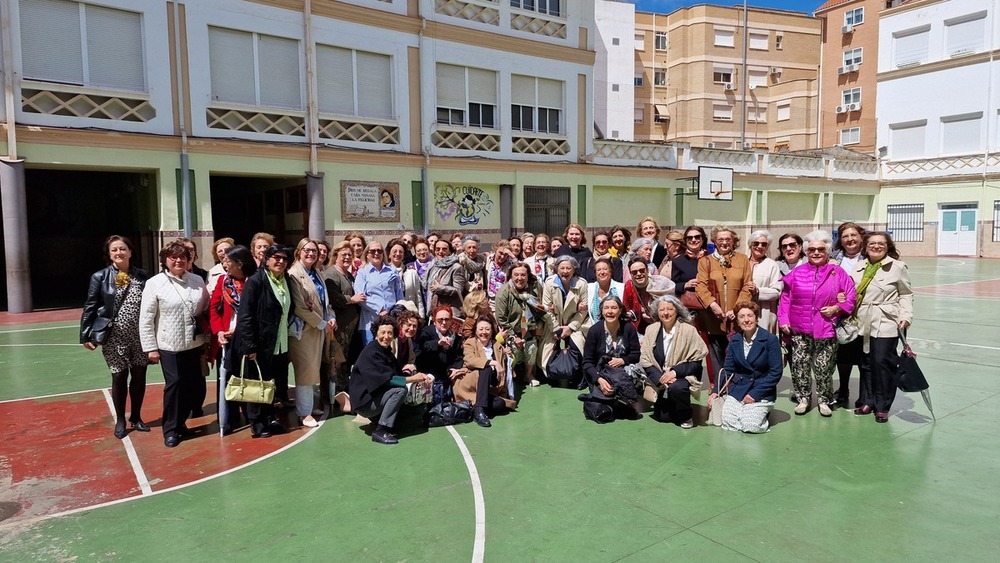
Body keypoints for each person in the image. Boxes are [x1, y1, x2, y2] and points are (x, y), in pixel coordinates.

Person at [778, 230, 857, 417]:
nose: (816, 252)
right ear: (806, 251)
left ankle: (824, 400)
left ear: (828, 251)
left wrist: (837, 308)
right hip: (799, 329)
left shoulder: (837, 273)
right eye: (811, 249)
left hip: (826, 328)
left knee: (824, 367)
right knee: (800, 365)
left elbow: (851, 296)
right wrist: (783, 320)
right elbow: (786, 299)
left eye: (820, 249)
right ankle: (803, 398)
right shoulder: (797, 272)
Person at [139, 241, 210, 447]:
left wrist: (206, 341)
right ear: (165, 260)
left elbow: (204, 312)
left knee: (191, 386)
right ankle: (170, 429)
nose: (178, 260)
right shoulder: (155, 283)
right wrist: (150, 347)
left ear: (189, 260)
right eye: (173, 257)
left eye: (183, 257)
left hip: (194, 343)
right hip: (169, 345)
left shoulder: (197, 280)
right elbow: (146, 318)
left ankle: (181, 424)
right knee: (175, 384)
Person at [81, 235, 151, 439]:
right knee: (119, 376)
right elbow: (91, 306)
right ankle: (121, 419)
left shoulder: (143, 276)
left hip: (140, 335)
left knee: (139, 377)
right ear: (109, 254)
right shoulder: (100, 277)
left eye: (122, 249)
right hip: (114, 336)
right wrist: (86, 334)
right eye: (114, 250)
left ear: (130, 252)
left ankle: (136, 417)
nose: (119, 253)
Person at [850, 232, 913, 423]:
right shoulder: (859, 268)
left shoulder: (898, 267)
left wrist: (906, 316)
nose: (876, 247)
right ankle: (868, 400)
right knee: (866, 363)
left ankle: (883, 405)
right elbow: (851, 292)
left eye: (881, 244)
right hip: (862, 321)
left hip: (886, 320)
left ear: (888, 247)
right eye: (872, 244)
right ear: (865, 247)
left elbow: (906, 294)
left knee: (883, 363)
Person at [231, 245, 293, 438]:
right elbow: (246, 315)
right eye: (276, 257)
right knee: (257, 383)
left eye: (284, 258)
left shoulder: (286, 280)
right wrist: (250, 345)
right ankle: (257, 423)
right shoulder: (256, 282)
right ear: (266, 259)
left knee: (270, 383)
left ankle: (269, 418)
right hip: (260, 344)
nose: (280, 261)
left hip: (279, 341)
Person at [350, 317, 433, 445]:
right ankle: (381, 430)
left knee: (417, 410)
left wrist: (410, 373)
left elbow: (395, 373)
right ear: (376, 333)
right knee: (400, 390)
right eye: (383, 332)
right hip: (365, 403)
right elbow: (388, 380)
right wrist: (414, 378)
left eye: (390, 333)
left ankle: (381, 420)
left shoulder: (385, 351)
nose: (386, 336)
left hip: (376, 397)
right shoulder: (371, 353)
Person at [287, 238, 337, 428]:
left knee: (313, 368)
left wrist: (330, 316)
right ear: (299, 251)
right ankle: (304, 413)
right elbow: (300, 307)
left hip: (320, 329)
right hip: (305, 330)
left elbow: (324, 301)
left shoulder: (317, 273)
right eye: (307, 250)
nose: (311, 254)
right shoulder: (293, 275)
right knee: (305, 370)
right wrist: (321, 322)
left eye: (314, 251)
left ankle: (309, 406)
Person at [713, 301, 783, 433]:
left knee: (751, 426)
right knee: (729, 423)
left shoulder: (770, 340)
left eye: (750, 316)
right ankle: (746, 412)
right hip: (738, 389)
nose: (746, 320)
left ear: (756, 318)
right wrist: (716, 391)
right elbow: (728, 369)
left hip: (761, 391)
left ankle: (761, 414)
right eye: (742, 317)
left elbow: (775, 372)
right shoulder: (735, 340)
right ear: (737, 321)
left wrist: (754, 394)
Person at [640, 295, 708, 428]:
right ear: (657, 312)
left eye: (670, 309)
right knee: (663, 417)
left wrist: (674, 372)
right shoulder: (651, 330)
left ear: (677, 310)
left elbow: (696, 363)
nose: (666, 313)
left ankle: (686, 415)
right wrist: (661, 378)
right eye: (662, 310)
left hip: (682, 377)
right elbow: (646, 360)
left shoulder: (689, 331)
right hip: (660, 377)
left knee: (677, 388)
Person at [696, 226, 754, 382]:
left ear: (733, 241)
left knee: (737, 354)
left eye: (728, 239)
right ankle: (719, 388)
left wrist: (737, 309)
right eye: (720, 239)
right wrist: (713, 305)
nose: (724, 243)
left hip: (736, 317)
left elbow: (747, 285)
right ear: (714, 241)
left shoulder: (742, 259)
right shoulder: (705, 261)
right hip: (714, 317)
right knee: (716, 356)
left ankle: (736, 386)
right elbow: (701, 286)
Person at [209, 245, 255, 435]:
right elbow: (213, 308)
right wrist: (219, 331)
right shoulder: (222, 281)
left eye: (228, 261)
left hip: (249, 337)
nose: (225, 264)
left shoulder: (254, 281)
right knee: (228, 377)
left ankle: (252, 415)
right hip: (227, 338)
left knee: (249, 377)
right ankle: (228, 419)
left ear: (239, 263)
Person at [580, 296, 643, 420]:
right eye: (606, 308)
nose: (610, 311)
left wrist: (623, 360)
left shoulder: (629, 328)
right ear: (602, 311)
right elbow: (587, 362)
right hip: (601, 374)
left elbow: (636, 354)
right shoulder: (595, 331)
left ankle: (624, 400)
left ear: (620, 311)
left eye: (614, 308)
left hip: (624, 374)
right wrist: (599, 380)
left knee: (632, 371)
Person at [324, 241, 363, 412]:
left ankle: (344, 392)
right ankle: (337, 395)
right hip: (339, 325)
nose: (347, 257)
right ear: (335, 256)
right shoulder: (331, 274)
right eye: (343, 255)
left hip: (350, 325)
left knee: (345, 360)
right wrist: (351, 300)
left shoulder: (348, 274)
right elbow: (334, 297)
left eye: (349, 254)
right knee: (337, 360)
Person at [458, 317, 518, 427]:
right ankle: (479, 411)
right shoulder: (470, 343)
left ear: (492, 331)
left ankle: (475, 407)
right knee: (487, 368)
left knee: (500, 404)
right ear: (476, 331)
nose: (484, 332)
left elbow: (506, 370)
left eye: (487, 329)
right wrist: (493, 362)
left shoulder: (497, 346)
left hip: (490, 389)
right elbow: (469, 360)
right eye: (481, 329)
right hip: (472, 383)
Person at [494, 262, 546, 387]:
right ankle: (511, 374)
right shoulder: (504, 292)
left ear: (528, 276)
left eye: (523, 275)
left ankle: (528, 375)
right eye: (516, 275)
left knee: (531, 349)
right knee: (514, 352)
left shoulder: (533, 289)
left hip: (529, 328)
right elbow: (501, 319)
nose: (519, 278)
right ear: (511, 276)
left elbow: (539, 308)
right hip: (511, 331)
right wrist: (513, 336)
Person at [832, 222, 866, 408]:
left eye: (853, 235)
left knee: (864, 355)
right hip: (841, 315)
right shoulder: (834, 258)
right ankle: (843, 390)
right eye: (845, 236)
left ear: (861, 237)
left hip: (865, 313)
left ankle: (865, 395)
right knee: (843, 355)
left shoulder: (870, 257)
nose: (850, 239)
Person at [540, 255, 589, 379]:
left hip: (574, 326)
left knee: (577, 345)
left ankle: (576, 375)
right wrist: (556, 329)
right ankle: (552, 375)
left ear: (574, 270)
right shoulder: (549, 282)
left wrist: (570, 328)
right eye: (562, 268)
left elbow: (583, 311)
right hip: (553, 325)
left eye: (569, 268)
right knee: (546, 352)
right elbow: (546, 309)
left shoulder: (581, 284)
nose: (565, 271)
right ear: (557, 269)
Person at [354, 240, 403, 345]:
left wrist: (397, 311)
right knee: (372, 353)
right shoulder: (362, 272)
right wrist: (380, 309)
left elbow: (399, 294)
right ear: (367, 255)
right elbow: (360, 297)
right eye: (372, 251)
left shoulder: (392, 271)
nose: (376, 253)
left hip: (391, 320)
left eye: (379, 251)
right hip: (370, 321)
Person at [622, 256, 675, 335]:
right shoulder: (629, 286)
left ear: (647, 270)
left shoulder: (660, 284)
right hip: (641, 328)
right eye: (634, 272)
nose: (639, 274)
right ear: (630, 274)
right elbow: (626, 308)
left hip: (665, 325)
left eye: (642, 270)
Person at [415, 305, 465, 382]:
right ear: (434, 321)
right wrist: (438, 343)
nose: (444, 323)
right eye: (440, 320)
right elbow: (423, 346)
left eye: (447, 319)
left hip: (448, 373)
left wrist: (455, 369)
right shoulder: (426, 331)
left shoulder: (455, 337)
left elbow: (459, 356)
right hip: (430, 371)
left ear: (451, 321)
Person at [746, 230, 782, 333]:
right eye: (756, 243)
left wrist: (758, 291)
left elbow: (777, 291)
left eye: (764, 244)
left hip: (764, 312)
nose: (760, 246)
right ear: (750, 245)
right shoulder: (742, 262)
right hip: (743, 310)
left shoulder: (772, 265)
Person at [423, 238, 467, 318]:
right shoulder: (432, 266)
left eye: (444, 249)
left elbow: (458, 291)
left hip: (450, 314)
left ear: (450, 251)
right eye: (438, 249)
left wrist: (440, 288)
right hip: (435, 311)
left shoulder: (456, 267)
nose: (440, 252)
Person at [671, 225, 709, 309]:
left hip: (710, 305)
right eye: (690, 238)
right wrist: (685, 285)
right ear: (686, 240)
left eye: (697, 237)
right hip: (689, 307)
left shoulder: (710, 259)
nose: (693, 240)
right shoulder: (678, 261)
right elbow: (673, 286)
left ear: (703, 239)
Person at [387, 239, 425, 318]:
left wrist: (421, 317)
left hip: (409, 317)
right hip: (390, 316)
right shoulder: (383, 273)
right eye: (394, 251)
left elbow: (418, 297)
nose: (397, 254)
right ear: (389, 254)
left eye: (401, 252)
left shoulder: (412, 273)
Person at [586, 257, 625, 325]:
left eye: (605, 269)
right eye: (599, 270)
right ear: (595, 273)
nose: (602, 272)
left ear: (610, 271)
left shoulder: (622, 288)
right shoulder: (588, 288)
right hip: (595, 329)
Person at [484, 240, 515, 306]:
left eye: (505, 254)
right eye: (500, 253)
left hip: (504, 300)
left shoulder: (511, 264)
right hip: (490, 300)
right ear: (495, 250)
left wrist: (513, 256)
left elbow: (522, 269)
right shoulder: (488, 260)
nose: (502, 257)